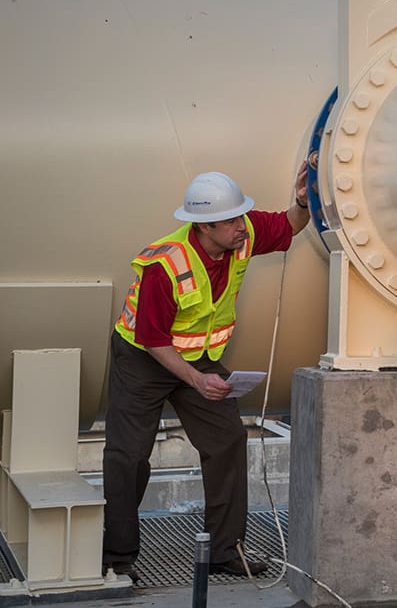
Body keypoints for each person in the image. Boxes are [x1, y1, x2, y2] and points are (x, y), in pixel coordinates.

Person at [102, 164, 310, 583]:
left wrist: (303, 200)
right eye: (231, 220)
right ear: (203, 226)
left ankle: (224, 550)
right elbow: (154, 339)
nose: (241, 226)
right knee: (129, 456)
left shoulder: (243, 233)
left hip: (198, 356)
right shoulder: (165, 266)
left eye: (240, 216)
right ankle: (115, 559)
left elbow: (289, 225)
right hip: (143, 359)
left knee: (228, 439)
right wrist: (197, 381)